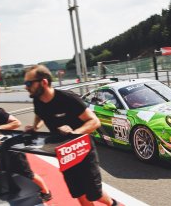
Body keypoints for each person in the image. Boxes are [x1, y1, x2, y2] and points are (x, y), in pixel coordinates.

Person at [24, 65, 118, 206]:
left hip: (83, 150)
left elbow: (94, 121)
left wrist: (74, 133)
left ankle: (112, 204)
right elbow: (39, 113)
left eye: (29, 83)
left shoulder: (67, 99)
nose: (26, 87)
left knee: (94, 194)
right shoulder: (37, 100)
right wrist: (35, 126)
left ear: (43, 82)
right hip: (64, 153)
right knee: (79, 193)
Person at [0, 85, 52, 202]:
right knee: (6, 174)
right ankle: (19, 196)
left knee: (27, 174)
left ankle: (46, 193)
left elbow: (16, 122)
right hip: (0, 149)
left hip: (13, 149)